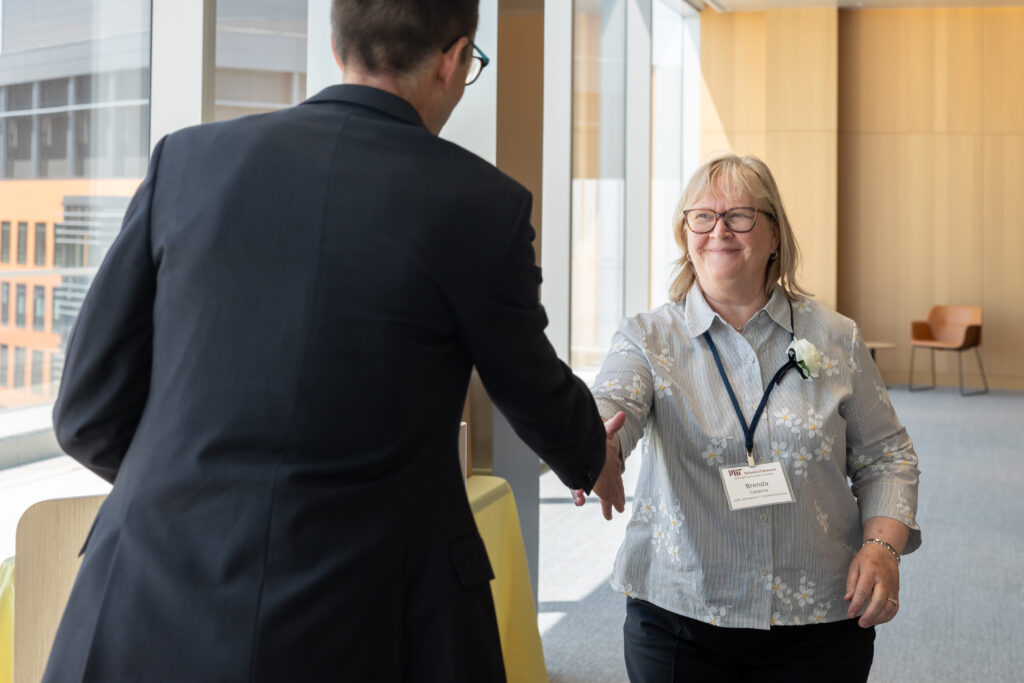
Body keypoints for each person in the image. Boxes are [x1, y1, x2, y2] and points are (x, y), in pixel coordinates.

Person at [45, 2, 626, 681]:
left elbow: (84, 411)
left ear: (333, 43)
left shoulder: (187, 160)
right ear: (455, 59)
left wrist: (201, 496)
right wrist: (591, 453)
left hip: (146, 609)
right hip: (375, 618)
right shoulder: (480, 204)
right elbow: (531, 383)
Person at [582, 154, 920, 682]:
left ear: (774, 235)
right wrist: (592, 449)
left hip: (819, 619)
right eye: (702, 216)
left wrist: (882, 549)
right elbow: (612, 409)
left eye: (739, 215)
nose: (719, 230)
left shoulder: (836, 337)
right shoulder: (647, 339)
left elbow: (887, 457)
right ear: (684, 233)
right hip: (682, 615)